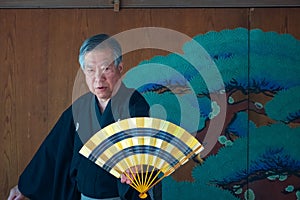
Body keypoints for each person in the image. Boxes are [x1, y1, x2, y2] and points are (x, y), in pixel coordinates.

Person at [8, 34, 162, 200]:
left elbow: (140, 145)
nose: (98, 78)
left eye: (106, 69)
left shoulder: (134, 104)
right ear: (84, 72)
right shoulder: (80, 107)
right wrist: (24, 187)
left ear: (120, 68)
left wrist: (135, 165)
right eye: (90, 70)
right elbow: (53, 148)